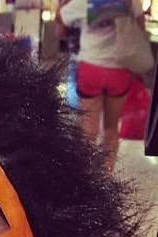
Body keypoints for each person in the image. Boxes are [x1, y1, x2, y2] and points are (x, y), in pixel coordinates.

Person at [59, 0, 145, 172]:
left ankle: (87, 175)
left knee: (88, 131)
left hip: (92, 67)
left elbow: (62, 23)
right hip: (119, 70)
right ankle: (106, 174)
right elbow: (140, 28)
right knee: (111, 128)